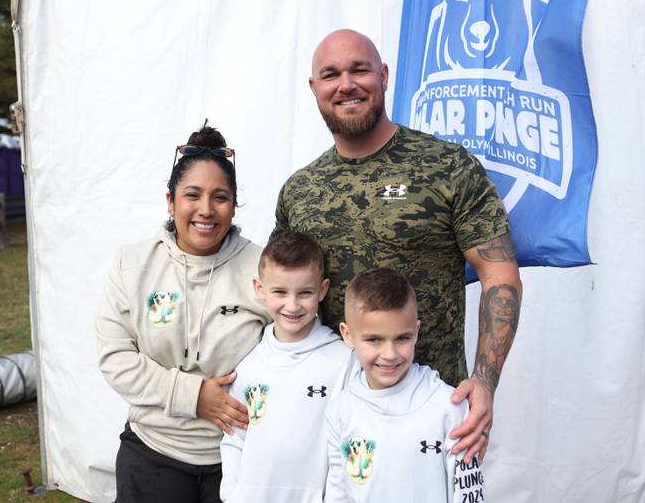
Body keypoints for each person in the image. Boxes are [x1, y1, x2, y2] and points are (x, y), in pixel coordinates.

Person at [274, 29, 522, 462]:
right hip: (334, 419)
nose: (346, 84)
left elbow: (498, 273)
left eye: (360, 69)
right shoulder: (299, 191)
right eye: (330, 75)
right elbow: (280, 294)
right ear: (314, 88)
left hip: (435, 416)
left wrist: (485, 381)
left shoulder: (447, 166)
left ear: (384, 76)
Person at [95, 123, 271, 503]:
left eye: (220, 197)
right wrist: (193, 396)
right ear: (171, 201)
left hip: (239, 458)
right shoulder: (132, 264)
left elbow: (292, 349)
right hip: (153, 454)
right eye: (192, 195)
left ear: (234, 203)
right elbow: (115, 358)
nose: (206, 210)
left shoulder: (263, 268)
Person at [324, 268, 485, 502]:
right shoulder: (340, 410)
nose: (389, 354)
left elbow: (469, 495)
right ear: (347, 335)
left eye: (402, 338)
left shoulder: (449, 407)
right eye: (374, 340)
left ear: (416, 332)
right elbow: (338, 494)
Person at [220, 231, 355, 503]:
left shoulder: (344, 361)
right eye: (280, 292)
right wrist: (233, 496)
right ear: (260, 289)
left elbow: (348, 444)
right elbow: (235, 438)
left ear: (322, 290)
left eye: (304, 293)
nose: (292, 305)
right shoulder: (249, 363)